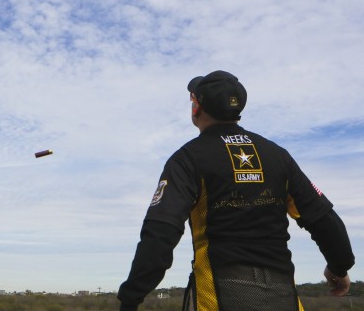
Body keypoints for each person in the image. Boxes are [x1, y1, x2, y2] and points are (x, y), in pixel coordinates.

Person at [117, 70, 355, 311]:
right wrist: (339, 267)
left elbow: (160, 233)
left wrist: (131, 298)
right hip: (285, 301)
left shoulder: (187, 159)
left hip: (216, 300)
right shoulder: (278, 157)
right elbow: (324, 219)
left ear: (196, 108)